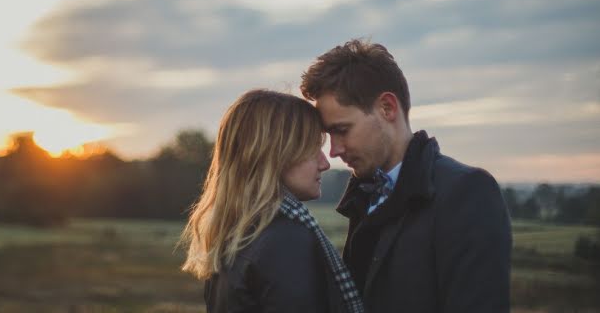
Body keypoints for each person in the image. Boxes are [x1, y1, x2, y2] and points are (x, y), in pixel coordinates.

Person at [300, 39, 512, 313]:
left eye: (342, 130)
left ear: (387, 108)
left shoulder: (467, 192)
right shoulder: (364, 197)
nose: (334, 150)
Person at [181, 89, 365, 313]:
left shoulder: (236, 235)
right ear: (276, 155)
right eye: (312, 149)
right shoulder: (285, 241)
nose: (324, 163)